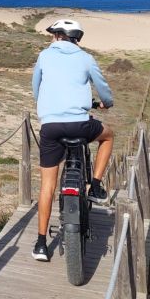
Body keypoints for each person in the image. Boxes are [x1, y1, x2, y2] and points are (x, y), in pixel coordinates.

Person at [30, 18, 114, 262]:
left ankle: (41, 243)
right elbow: (103, 87)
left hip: (51, 127)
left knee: (47, 185)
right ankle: (95, 185)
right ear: (76, 38)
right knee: (108, 136)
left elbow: (36, 88)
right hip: (81, 124)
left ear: (57, 36)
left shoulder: (44, 56)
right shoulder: (86, 58)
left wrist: (47, 104)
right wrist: (106, 103)